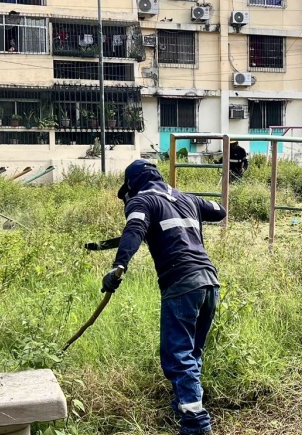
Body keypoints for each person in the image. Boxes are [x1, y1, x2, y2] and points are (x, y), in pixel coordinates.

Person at [103, 160, 227, 435]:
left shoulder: (143, 200)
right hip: (210, 281)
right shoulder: (187, 199)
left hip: (181, 283)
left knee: (178, 354)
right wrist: (189, 202)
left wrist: (118, 266)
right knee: (192, 351)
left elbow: (134, 230)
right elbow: (220, 210)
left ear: (132, 185)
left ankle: (196, 423)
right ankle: (185, 404)